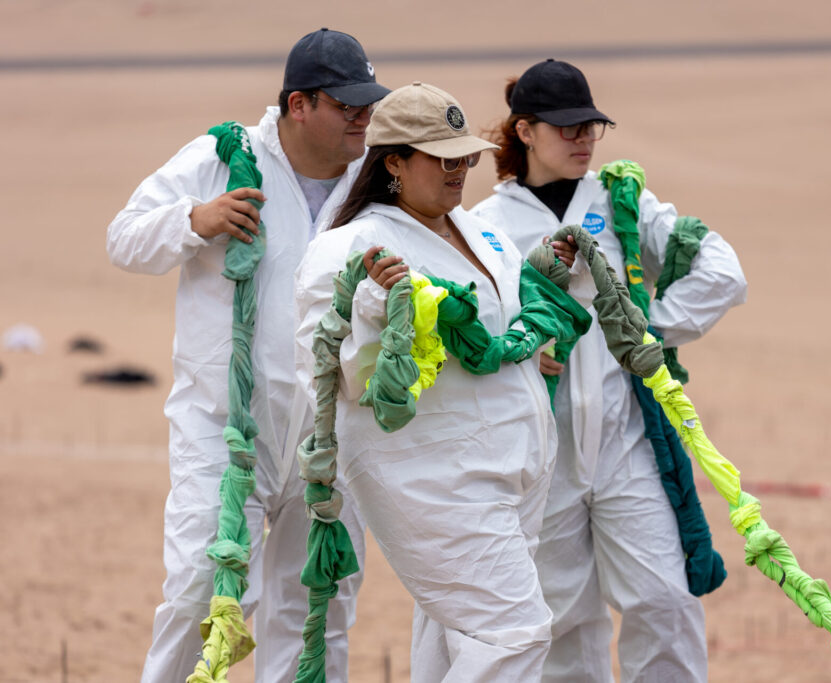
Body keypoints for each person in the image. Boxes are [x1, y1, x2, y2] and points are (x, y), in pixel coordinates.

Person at [106, 28, 389, 683]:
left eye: (368, 104)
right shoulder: (225, 155)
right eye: (347, 105)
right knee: (201, 589)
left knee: (319, 608)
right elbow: (123, 238)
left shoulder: (376, 179)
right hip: (226, 430)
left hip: (333, 436)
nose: (362, 117)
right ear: (299, 105)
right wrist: (193, 220)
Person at [294, 81, 588, 682]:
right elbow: (330, 368)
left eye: (466, 155)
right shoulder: (351, 248)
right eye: (443, 156)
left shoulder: (481, 232)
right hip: (432, 477)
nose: (460, 169)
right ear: (394, 162)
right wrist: (382, 307)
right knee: (513, 634)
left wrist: (533, 335)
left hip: (514, 470)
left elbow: (499, 324)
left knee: (459, 629)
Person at [471, 59, 749, 682]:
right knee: (565, 623)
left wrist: (647, 330)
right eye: (566, 127)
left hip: (628, 441)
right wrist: (522, 352)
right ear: (525, 131)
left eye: (591, 126)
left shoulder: (623, 203)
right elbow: (476, 335)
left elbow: (723, 272)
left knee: (665, 601)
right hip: (543, 452)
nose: (582, 139)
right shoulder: (488, 226)